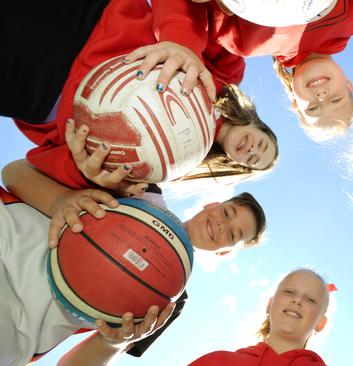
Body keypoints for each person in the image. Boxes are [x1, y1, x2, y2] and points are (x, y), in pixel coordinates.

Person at [0, 159, 268, 364]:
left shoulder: (169, 302)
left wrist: (113, 342)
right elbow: (13, 172)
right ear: (211, 204)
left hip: (15, 327)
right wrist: (62, 200)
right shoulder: (140, 187)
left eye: (233, 234)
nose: (222, 226)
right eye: (227, 212)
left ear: (224, 252)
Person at [13, 0, 277, 196]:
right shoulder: (227, 73)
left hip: (39, 94)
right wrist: (180, 41)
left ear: (234, 165)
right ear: (256, 123)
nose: (252, 150)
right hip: (89, 17)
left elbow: (47, 166)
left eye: (252, 161)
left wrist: (85, 173)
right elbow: (198, 5)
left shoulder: (163, 170)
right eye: (262, 144)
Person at [125, 0, 353, 140]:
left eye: (313, 108)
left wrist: (179, 41)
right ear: (349, 84)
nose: (321, 97)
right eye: (336, 99)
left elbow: (190, 7)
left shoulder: (243, 43)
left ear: (295, 102)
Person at [189, 268, 332, 366]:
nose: (297, 300)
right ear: (270, 305)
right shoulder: (217, 361)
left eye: (310, 300)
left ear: (320, 323)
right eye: (289, 291)